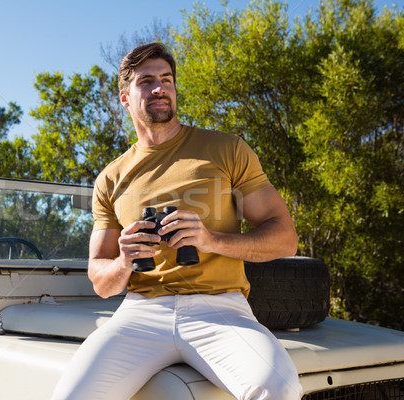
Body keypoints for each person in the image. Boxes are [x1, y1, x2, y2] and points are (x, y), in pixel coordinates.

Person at [51, 42, 303, 400]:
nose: (159, 88)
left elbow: (284, 239)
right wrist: (125, 260)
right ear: (125, 98)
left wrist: (210, 240)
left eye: (166, 79)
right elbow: (102, 282)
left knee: (279, 386)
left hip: (219, 307)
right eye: (146, 81)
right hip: (140, 312)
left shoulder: (227, 149)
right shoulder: (109, 178)